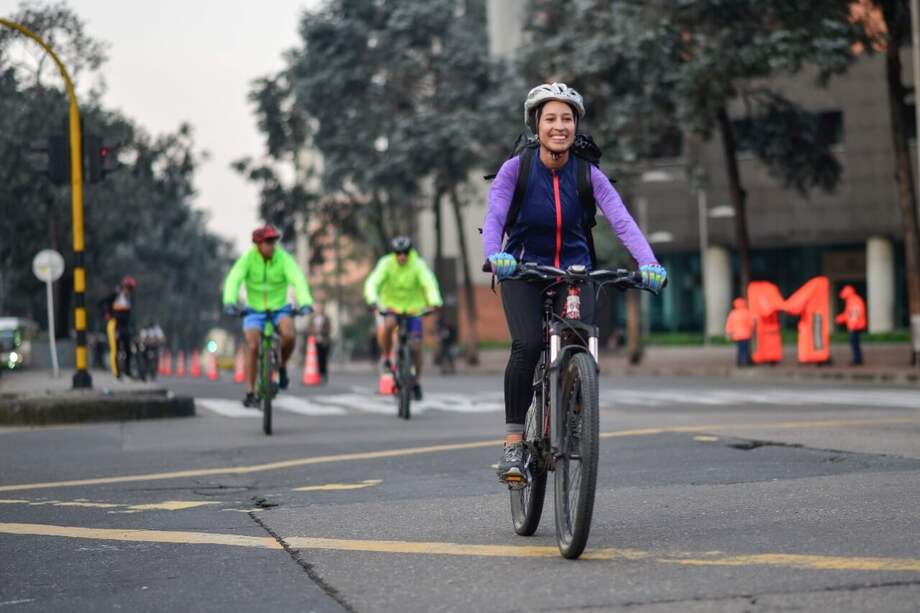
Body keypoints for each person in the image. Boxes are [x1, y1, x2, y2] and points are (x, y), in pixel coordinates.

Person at [482, 83, 667, 484]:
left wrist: (648, 262)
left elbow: (621, 220)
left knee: (579, 341)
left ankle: (576, 409)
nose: (559, 126)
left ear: (575, 124)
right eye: (551, 118)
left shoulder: (587, 173)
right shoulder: (518, 168)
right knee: (528, 344)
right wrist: (497, 256)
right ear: (537, 125)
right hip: (523, 269)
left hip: (575, 270)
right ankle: (515, 442)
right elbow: (495, 214)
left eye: (566, 118)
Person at [222, 224, 314, 407]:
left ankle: (281, 366)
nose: (273, 245)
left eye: (275, 241)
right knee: (252, 345)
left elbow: (298, 279)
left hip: (280, 307)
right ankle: (250, 392)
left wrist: (305, 303)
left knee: (289, 335)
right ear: (257, 244)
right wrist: (229, 302)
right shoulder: (247, 259)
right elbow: (234, 279)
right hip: (254, 310)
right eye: (268, 242)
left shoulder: (283, 259)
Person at [364, 236, 443, 400]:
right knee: (388, 325)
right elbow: (373, 283)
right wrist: (372, 300)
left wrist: (434, 302)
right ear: (394, 253)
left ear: (410, 252)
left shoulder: (418, 264)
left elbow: (429, 283)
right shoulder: (386, 263)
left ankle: (416, 382)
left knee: (416, 347)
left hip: (414, 310)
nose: (402, 256)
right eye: (398, 253)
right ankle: (386, 358)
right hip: (392, 307)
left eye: (405, 252)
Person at [100, 276, 137, 378]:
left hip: (125, 326)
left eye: (131, 289)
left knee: (128, 349)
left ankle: (127, 371)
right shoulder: (116, 295)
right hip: (114, 324)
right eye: (127, 287)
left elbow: (130, 315)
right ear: (124, 286)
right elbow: (102, 302)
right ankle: (116, 373)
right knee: (115, 349)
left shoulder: (130, 298)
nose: (128, 290)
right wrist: (107, 314)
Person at [835, 285, 867, 365]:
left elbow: (855, 314)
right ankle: (857, 359)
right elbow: (848, 314)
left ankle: (857, 359)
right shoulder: (852, 300)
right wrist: (840, 318)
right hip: (855, 325)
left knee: (854, 343)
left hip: (855, 326)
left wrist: (853, 325)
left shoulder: (854, 300)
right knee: (854, 343)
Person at [725, 298, 754, 367]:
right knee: (745, 348)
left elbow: (729, 324)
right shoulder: (747, 312)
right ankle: (745, 362)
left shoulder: (733, 313)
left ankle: (739, 362)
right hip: (746, 334)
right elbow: (752, 323)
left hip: (737, 335)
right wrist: (752, 329)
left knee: (740, 349)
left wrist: (729, 333)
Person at [307, 303, 332, 383]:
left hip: (324, 341)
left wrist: (321, 331)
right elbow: (309, 328)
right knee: (315, 359)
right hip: (314, 341)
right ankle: (316, 375)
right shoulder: (312, 318)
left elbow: (329, 328)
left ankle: (323, 374)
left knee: (323, 358)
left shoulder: (326, 318)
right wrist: (313, 332)